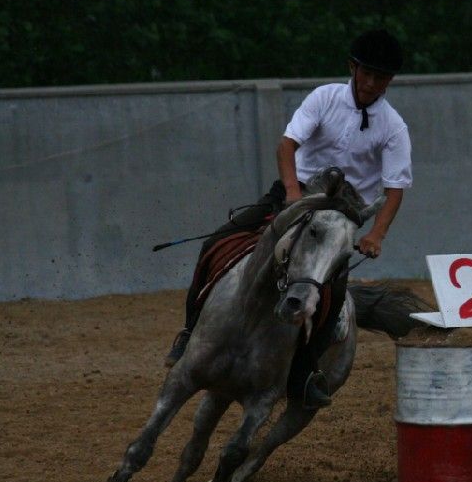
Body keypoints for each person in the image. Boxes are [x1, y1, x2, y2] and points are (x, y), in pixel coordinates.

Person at [164, 29, 412, 409]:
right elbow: (287, 145)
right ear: (353, 68)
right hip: (292, 194)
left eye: (382, 77)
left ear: (390, 81)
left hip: (340, 217)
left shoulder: (393, 127)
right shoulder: (323, 97)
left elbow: (395, 188)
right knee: (215, 243)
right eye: (368, 73)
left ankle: (306, 371)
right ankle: (189, 330)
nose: (373, 83)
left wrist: (376, 234)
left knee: (335, 294)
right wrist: (293, 193)